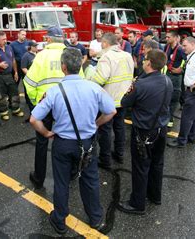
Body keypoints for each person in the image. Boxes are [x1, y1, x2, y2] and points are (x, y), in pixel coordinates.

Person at [30, 48, 116, 234]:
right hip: (88, 142)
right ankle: (95, 218)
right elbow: (111, 111)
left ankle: (60, 220)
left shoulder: (54, 91)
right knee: (90, 180)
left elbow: (34, 119)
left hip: (63, 143)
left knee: (61, 182)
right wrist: (96, 124)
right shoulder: (94, 88)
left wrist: (46, 133)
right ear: (80, 66)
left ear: (63, 67)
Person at [118, 49, 173, 215]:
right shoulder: (167, 80)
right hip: (161, 129)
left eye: (145, 59)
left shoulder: (140, 84)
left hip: (143, 130)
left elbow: (124, 102)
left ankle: (137, 204)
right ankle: (155, 195)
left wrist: (133, 85)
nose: (142, 61)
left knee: (141, 167)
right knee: (157, 164)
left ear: (149, 63)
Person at [23, 26, 67, 189]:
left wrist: (36, 102)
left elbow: (29, 82)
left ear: (48, 39)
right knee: (67, 138)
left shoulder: (41, 56)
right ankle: (70, 173)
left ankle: (39, 178)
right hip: (66, 106)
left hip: (45, 105)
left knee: (41, 142)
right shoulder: (70, 54)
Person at [90, 32, 134, 168]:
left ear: (105, 43)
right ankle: (120, 155)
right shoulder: (127, 55)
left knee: (105, 130)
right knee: (119, 127)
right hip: (123, 99)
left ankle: (105, 159)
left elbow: (100, 79)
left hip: (109, 100)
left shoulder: (106, 57)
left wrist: (89, 79)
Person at [167, 37, 195, 148]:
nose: (183, 47)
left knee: (187, 117)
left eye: (185, 45)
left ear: (192, 44)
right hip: (193, 90)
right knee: (194, 115)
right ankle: (192, 137)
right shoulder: (191, 55)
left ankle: (181, 141)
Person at [0, 31, 24, 121]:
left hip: (9, 75)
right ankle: (4, 113)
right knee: (1, 95)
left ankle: (15, 109)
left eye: (6, 39)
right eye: (3, 39)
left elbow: (13, 59)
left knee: (14, 92)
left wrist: (15, 72)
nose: (5, 41)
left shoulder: (9, 47)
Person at [163, 31, 186, 128]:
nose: (166, 39)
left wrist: (181, 69)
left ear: (175, 38)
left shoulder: (180, 49)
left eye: (168, 37)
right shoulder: (166, 47)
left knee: (174, 98)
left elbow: (186, 60)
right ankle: (167, 116)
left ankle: (170, 118)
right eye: (166, 37)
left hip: (176, 77)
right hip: (168, 74)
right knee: (167, 96)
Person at [21, 41, 38, 113]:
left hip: (37, 78)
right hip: (30, 79)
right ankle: (32, 112)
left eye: (36, 46)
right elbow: (23, 68)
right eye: (35, 46)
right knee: (29, 96)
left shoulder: (37, 54)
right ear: (30, 47)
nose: (36, 47)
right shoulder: (26, 56)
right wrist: (30, 76)